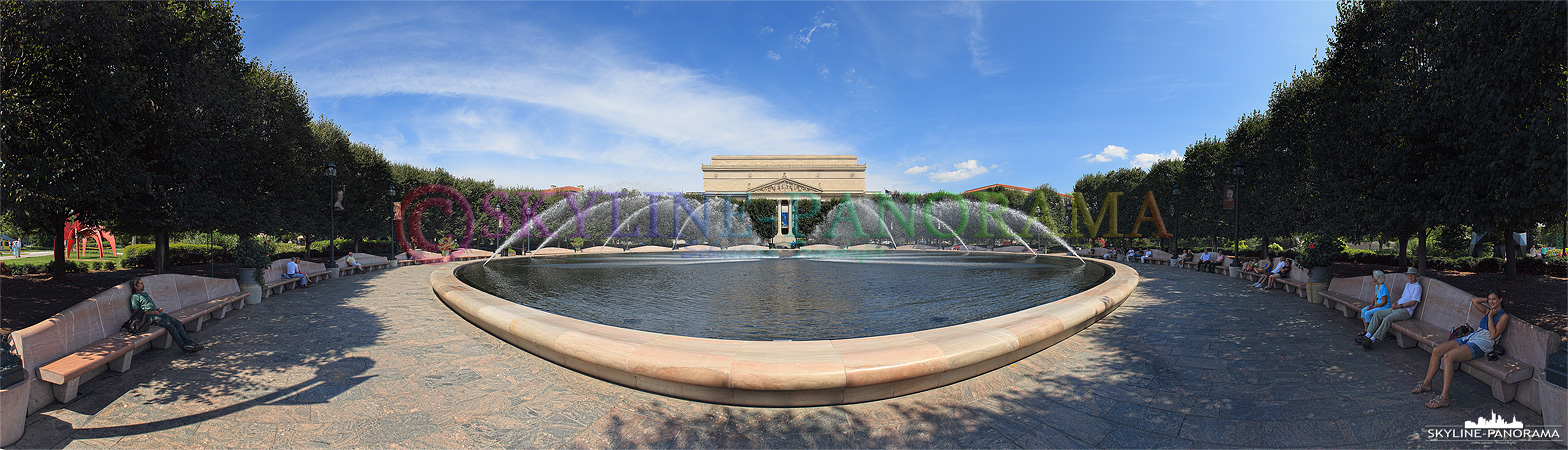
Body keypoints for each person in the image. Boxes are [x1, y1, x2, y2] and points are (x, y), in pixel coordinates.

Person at [1412, 290, 1510, 409]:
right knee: (1437, 350)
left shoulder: (1503, 316)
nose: (1491, 302)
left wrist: (1490, 317)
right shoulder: (1488, 309)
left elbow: (1493, 335)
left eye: (1494, 299)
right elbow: (1474, 301)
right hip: (1471, 337)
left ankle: (1444, 397)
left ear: (1501, 299)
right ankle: (1427, 383)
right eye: (1490, 299)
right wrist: (1487, 301)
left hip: (1483, 344)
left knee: (1449, 356)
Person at [129, 278, 203, 353]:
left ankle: (189, 342)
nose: (143, 285)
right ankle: (183, 347)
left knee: (177, 323)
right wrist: (153, 313)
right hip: (150, 318)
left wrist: (157, 309)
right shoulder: (134, 297)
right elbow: (137, 312)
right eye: (141, 283)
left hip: (159, 314)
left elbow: (149, 307)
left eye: (142, 283)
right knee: (170, 326)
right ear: (135, 286)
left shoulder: (145, 294)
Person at [1357, 268, 1423, 349]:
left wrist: (1399, 306)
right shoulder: (1407, 284)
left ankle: (1372, 340)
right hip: (1397, 307)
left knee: (1387, 319)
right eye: (1408, 274)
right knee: (1377, 314)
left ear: (1416, 276)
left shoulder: (1418, 287)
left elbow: (1413, 302)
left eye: (1412, 274)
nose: (1410, 276)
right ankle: (1367, 335)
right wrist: (1395, 303)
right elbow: (1403, 297)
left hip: (1406, 311)